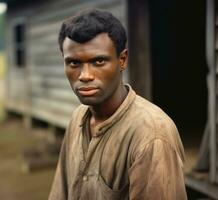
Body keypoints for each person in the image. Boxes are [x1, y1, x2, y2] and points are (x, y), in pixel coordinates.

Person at [49, 8, 187, 200]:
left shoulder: (152, 136)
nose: (85, 76)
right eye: (74, 63)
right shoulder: (78, 118)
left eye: (98, 61)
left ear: (122, 60)